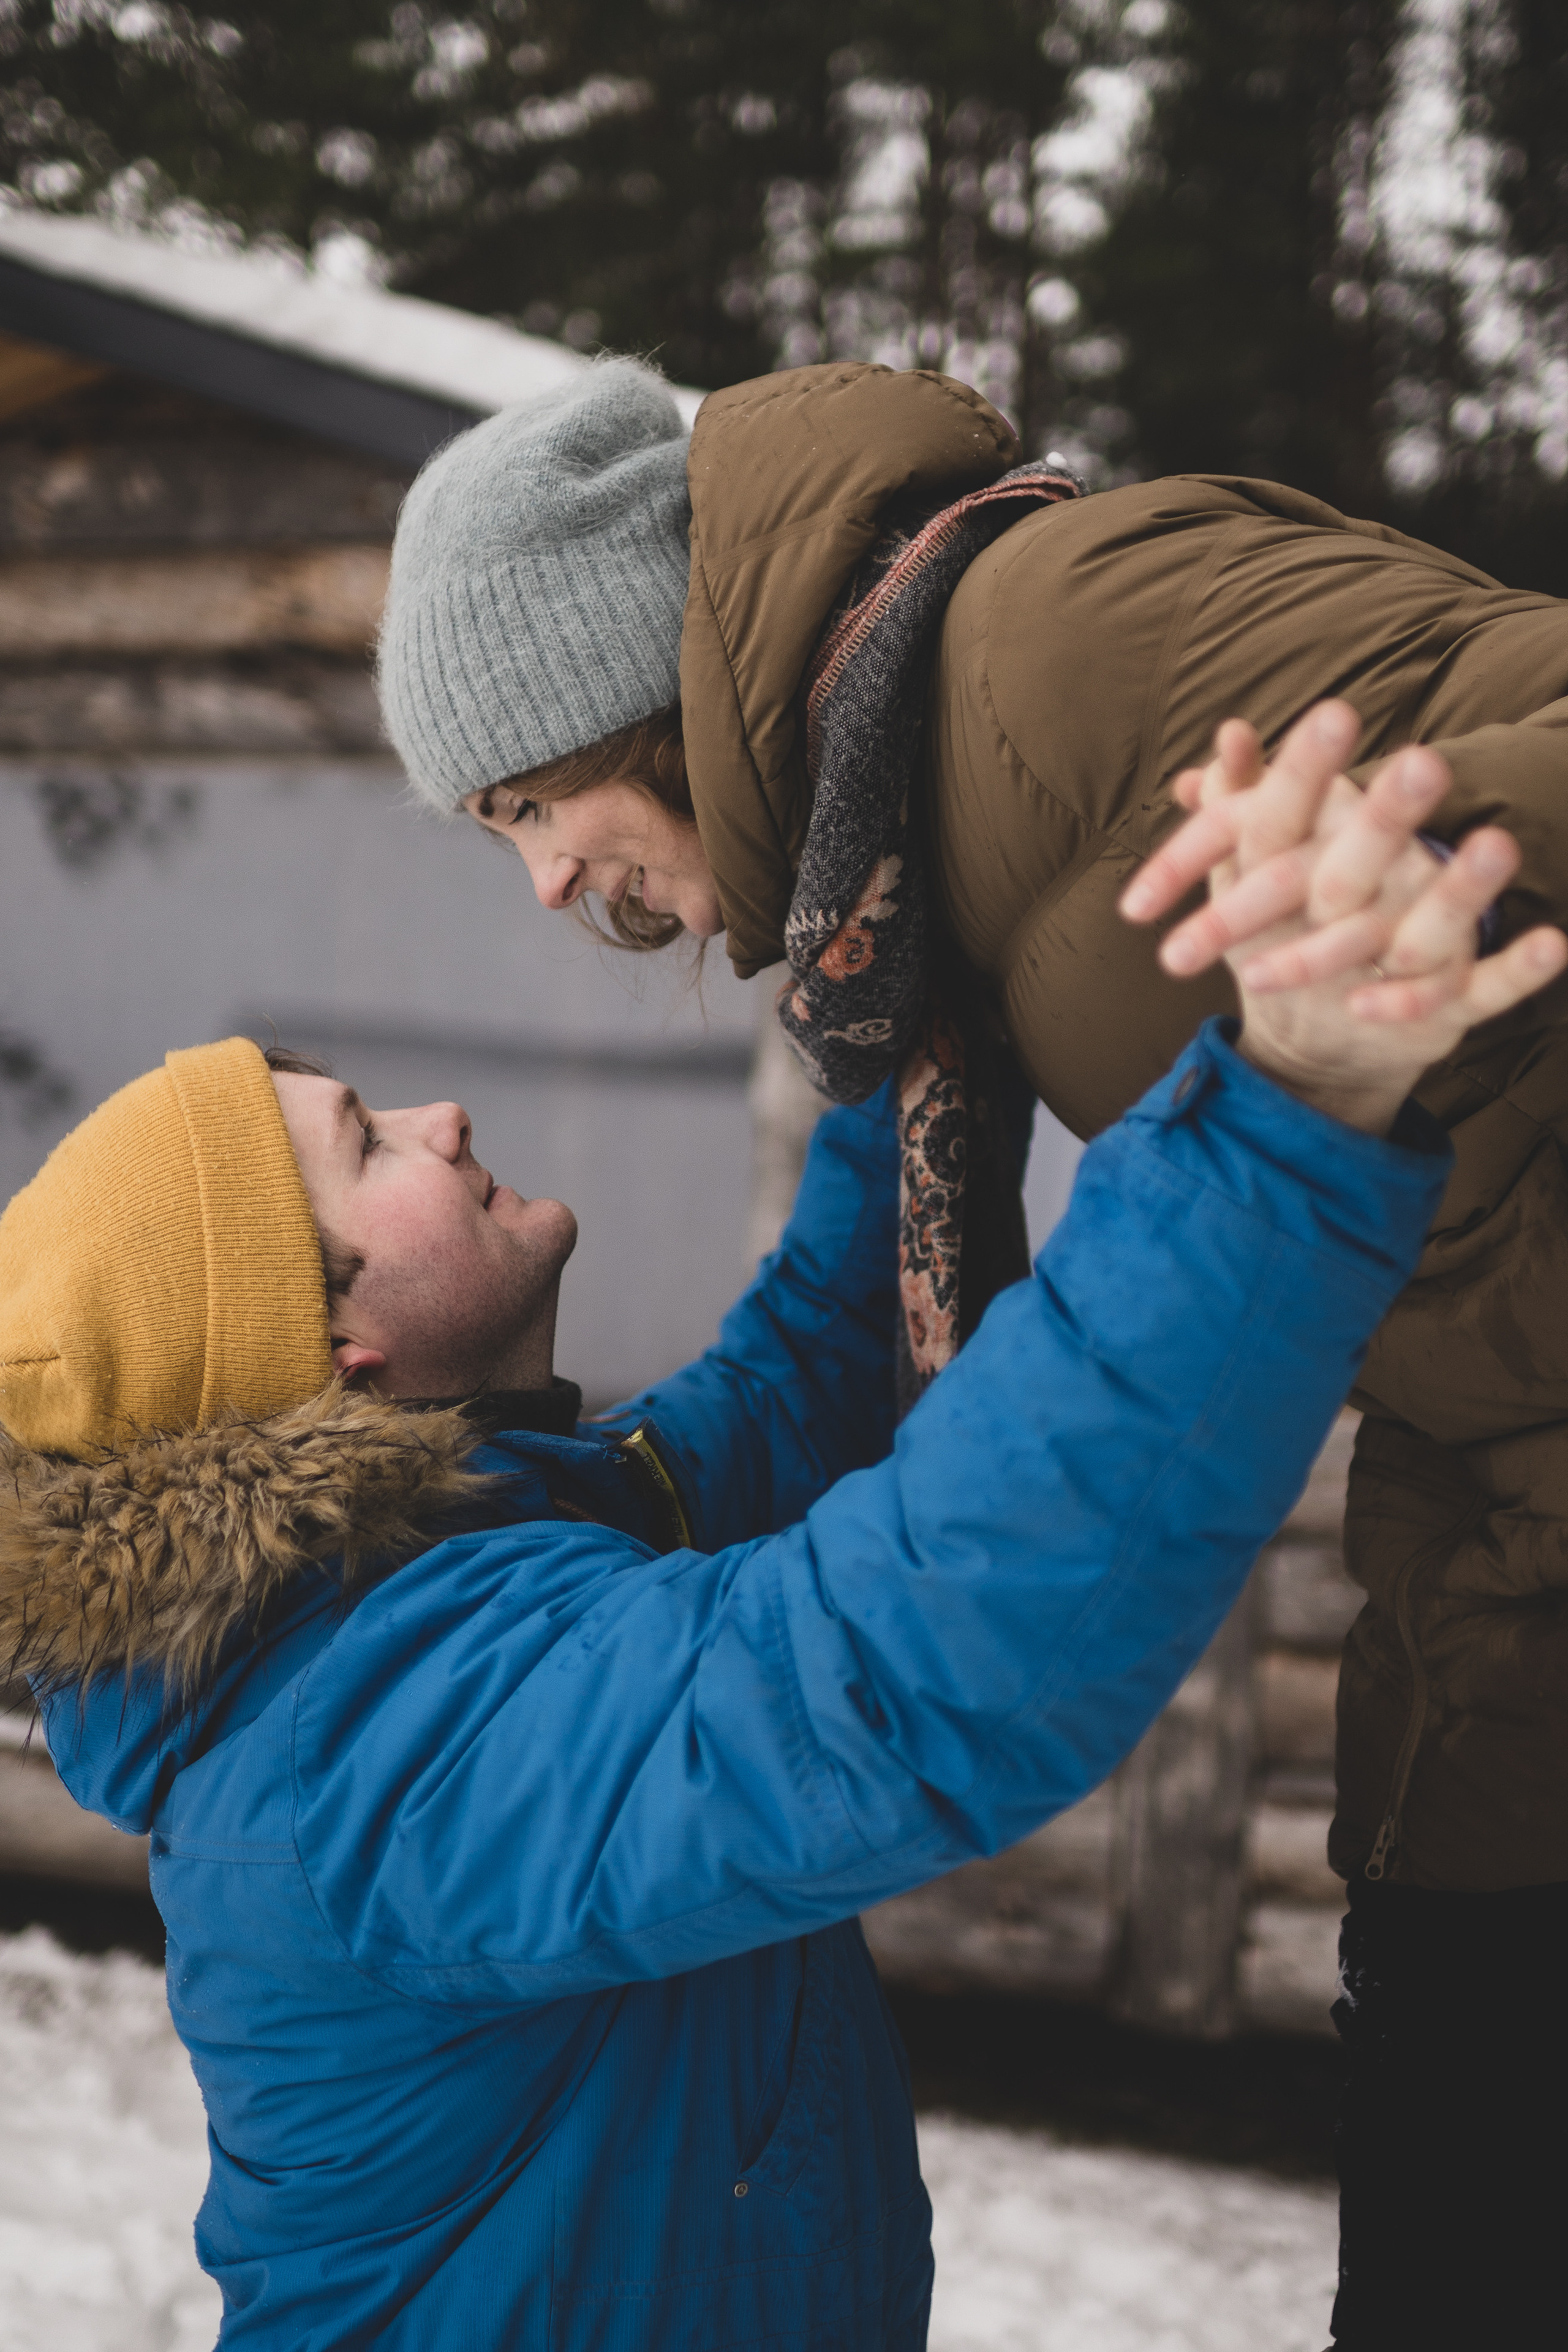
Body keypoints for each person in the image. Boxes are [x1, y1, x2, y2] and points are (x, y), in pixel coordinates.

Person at [1, 719, 1558, 2351]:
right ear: (337, 1361)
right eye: (368, 1152)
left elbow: (809, 1369)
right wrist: (1290, 1118)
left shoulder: (468, 1559)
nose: (443, 1118)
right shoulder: (379, 1743)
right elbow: (898, 1669)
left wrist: (905, 1011)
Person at [377, 356, 1568, 2346]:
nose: (547, 882)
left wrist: (1427, 847)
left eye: (530, 802)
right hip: (1498, 1556)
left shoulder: (1058, 633)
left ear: (633, 694)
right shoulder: (904, 852)